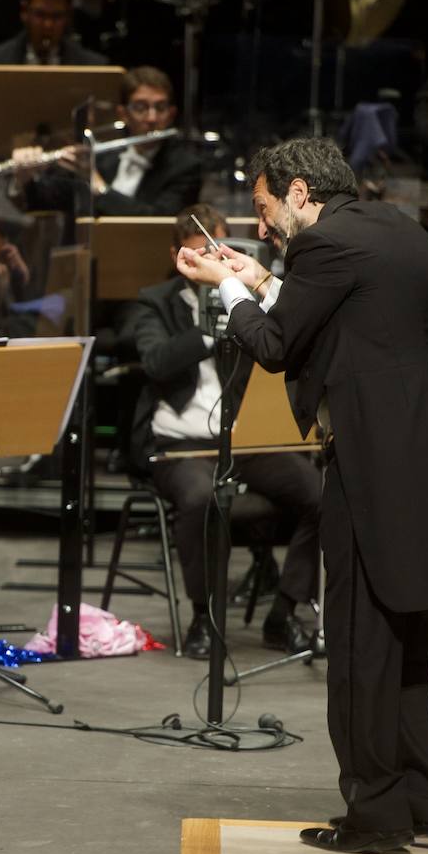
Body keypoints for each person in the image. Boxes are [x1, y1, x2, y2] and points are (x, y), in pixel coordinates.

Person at [176, 138, 428, 854]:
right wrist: (261, 279)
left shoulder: (323, 247)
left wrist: (226, 292)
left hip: (376, 474)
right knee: (410, 648)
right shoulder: (397, 230)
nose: (259, 228)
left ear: (297, 194)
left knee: (357, 650)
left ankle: (375, 818)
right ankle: (425, 801)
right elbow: (351, 320)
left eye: (262, 210)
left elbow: (280, 346)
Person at [130, 204, 321, 660]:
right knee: (200, 500)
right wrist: (211, 325)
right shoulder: (155, 301)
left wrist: (237, 301)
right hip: (181, 446)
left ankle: (284, 613)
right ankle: (203, 617)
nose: (211, 262)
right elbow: (155, 361)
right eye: (200, 255)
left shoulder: (245, 294)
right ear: (182, 257)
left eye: (216, 251)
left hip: (243, 440)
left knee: (321, 495)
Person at [14, 67, 202, 218]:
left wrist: (100, 188)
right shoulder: (102, 157)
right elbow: (52, 203)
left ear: (171, 115)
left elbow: (157, 218)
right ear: (123, 114)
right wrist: (26, 179)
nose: (152, 118)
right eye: (141, 108)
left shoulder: (186, 167)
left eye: (160, 108)